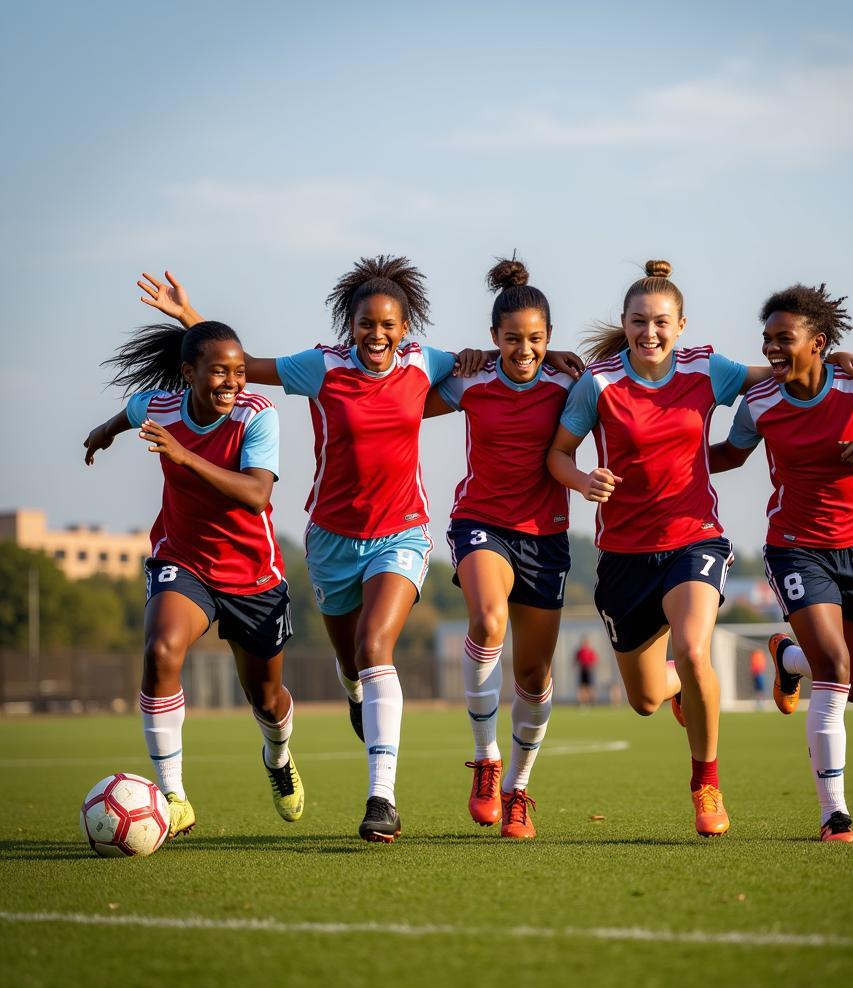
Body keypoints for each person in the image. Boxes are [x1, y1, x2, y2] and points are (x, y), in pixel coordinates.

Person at [137, 259, 489, 843]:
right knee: (353, 661)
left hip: (401, 531)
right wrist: (188, 318)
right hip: (330, 539)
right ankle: (354, 688)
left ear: (406, 328)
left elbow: (504, 363)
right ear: (349, 325)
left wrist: (550, 357)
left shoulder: (426, 362)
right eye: (366, 325)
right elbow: (236, 368)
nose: (377, 335)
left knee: (376, 646)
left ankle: (382, 798)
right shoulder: (321, 367)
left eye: (388, 326)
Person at [546, 261, 853, 838]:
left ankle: (706, 783)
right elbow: (557, 453)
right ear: (625, 325)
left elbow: (783, 370)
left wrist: (836, 360)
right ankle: (688, 687)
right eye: (637, 322)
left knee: (695, 649)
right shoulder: (597, 383)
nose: (648, 333)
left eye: (660, 323)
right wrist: (582, 482)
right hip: (623, 555)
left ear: (680, 326)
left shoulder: (707, 370)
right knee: (648, 698)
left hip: (694, 539)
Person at [710, 283, 853, 843]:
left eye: (782, 338)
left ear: (817, 343)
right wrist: (662, 461)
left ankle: (789, 658)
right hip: (793, 545)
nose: (770, 348)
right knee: (836, 669)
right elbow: (731, 454)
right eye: (765, 338)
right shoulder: (761, 401)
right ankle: (833, 813)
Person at [83, 319, 302, 840]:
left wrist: (185, 456)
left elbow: (256, 495)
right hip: (183, 562)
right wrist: (101, 434)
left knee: (267, 701)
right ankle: (174, 798)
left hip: (254, 577)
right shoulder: (160, 407)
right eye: (219, 372)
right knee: (160, 653)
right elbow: (129, 413)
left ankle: (278, 756)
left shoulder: (257, 416)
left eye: (240, 372)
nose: (232, 382)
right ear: (189, 373)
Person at [426, 256, 579, 839]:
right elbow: (399, 403)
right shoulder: (470, 381)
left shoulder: (570, 381)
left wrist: (830, 360)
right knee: (488, 621)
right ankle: (486, 760)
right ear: (493, 339)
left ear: (549, 338)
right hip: (480, 522)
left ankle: (518, 788)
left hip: (546, 536)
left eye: (536, 339)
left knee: (534, 677)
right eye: (512, 339)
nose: (524, 350)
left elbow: (638, 375)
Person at [575, 637, 599, 708]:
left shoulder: (590, 651)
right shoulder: (580, 651)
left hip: (589, 671)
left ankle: (593, 702)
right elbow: (576, 660)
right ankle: (583, 703)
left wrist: (591, 667)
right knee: (582, 688)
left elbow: (594, 661)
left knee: (590, 688)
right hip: (582, 671)